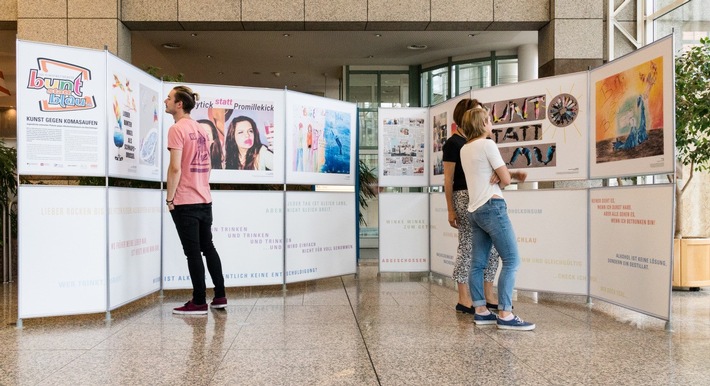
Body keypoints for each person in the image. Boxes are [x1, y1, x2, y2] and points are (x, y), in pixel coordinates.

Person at [459, 106, 535, 330]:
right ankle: (505, 313)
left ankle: (481, 311)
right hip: (493, 207)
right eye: (489, 120)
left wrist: (504, 175)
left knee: (477, 264)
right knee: (512, 261)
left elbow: (496, 176)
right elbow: (505, 180)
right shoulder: (488, 144)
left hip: (475, 211)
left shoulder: (465, 149)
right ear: (483, 124)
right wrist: (507, 175)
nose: (492, 124)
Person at [165, 85, 227, 315]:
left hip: (186, 200)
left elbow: (175, 168)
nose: (166, 101)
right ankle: (220, 296)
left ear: (179, 104)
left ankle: (198, 301)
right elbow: (207, 163)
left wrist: (170, 199)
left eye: (169, 98)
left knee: (193, 252)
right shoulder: (201, 129)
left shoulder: (177, 129)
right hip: (204, 198)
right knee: (208, 247)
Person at [443, 98, 501, 315]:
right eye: (477, 111)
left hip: (485, 195)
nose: (482, 115)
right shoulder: (453, 143)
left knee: (493, 246)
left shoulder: (480, 142)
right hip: (463, 196)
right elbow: (448, 180)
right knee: (468, 245)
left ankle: (488, 292)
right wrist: (450, 209)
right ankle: (463, 297)